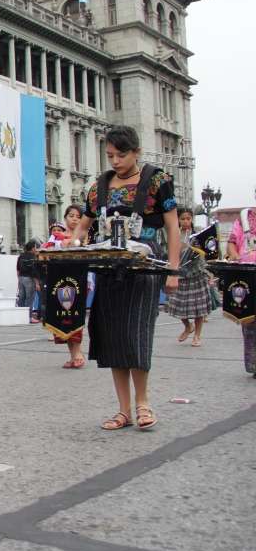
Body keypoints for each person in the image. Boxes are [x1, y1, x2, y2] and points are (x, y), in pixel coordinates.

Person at [70, 126, 179, 431]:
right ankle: (123, 410)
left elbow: (172, 227)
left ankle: (143, 402)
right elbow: (84, 224)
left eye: (121, 155)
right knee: (112, 334)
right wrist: (74, 242)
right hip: (109, 264)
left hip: (144, 264)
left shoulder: (156, 181)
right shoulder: (99, 187)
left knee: (136, 331)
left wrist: (173, 270)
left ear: (136, 152)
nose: (115, 161)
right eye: (110, 156)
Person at [169, 207, 212, 347]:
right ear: (178, 220)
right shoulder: (174, 234)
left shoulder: (198, 233)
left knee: (199, 308)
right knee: (178, 305)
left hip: (197, 274)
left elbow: (207, 250)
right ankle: (188, 326)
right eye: (183, 219)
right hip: (181, 274)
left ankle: (197, 335)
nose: (186, 221)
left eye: (188, 218)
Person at [51, 206, 87, 367]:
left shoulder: (84, 236)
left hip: (78, 278)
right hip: (59, 279)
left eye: (78, 216)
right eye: (71, 215)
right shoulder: (56, 236)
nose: (74, 219)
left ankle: (78, 353)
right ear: (65, 217)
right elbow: (48, 250)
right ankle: (73, 355)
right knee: (63, 316)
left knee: (75, 315)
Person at [225, 208, 256, 377]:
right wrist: (235, 255)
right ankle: (254, 364)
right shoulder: (244, 217)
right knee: (250, 320)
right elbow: (231, 243)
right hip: (247, 274)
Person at [16, 240, 40, 322]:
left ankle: (20, 317)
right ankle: (28, 317)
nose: (36, 249)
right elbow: (34, 271)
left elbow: (18, 269)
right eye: (35, 247)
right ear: (33, 248)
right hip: (29, 279)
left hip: (21, 278)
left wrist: (19, 280)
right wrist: (37, 283)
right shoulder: (33, 257)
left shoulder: (21, 256)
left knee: (21, 298)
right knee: (29, 299)